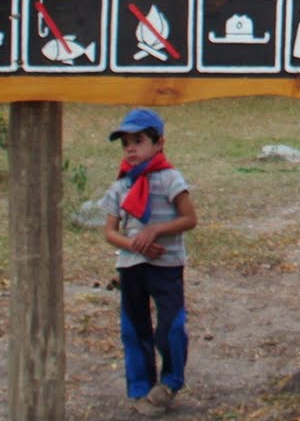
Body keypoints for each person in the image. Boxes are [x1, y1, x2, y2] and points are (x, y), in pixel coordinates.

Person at [102, 107, 198, 416]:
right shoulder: (120, 186)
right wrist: (135, 244)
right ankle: (140, 390)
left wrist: (155, 229)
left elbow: (189, 218)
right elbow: (110, 232)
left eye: (138, 140)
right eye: (126, 143)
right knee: (134, 328)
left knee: (171, 326)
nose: (131, 148)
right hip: (131, 266)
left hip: (167, 265)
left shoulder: (171, 179)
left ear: (159, 143)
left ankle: (171, 381)